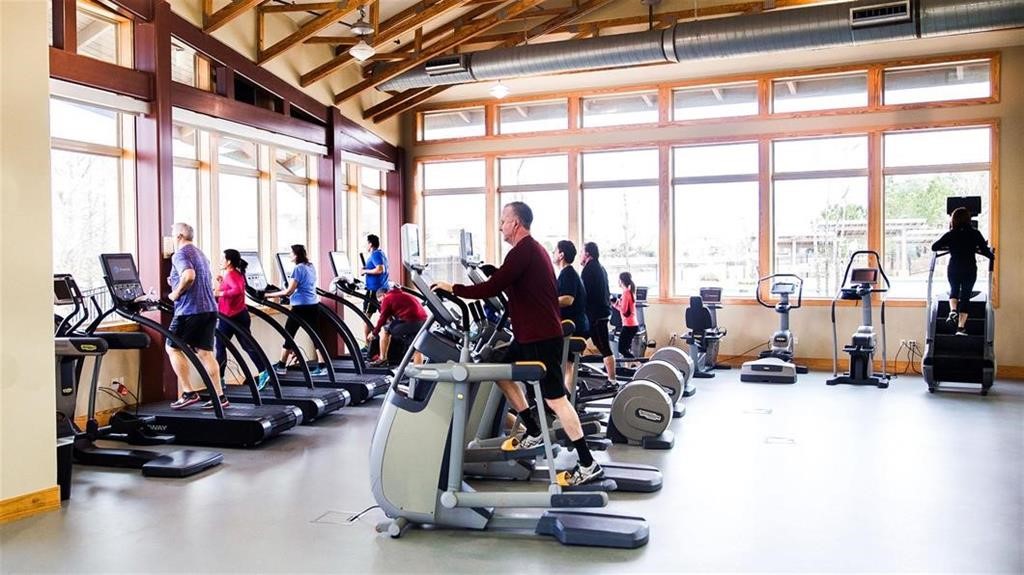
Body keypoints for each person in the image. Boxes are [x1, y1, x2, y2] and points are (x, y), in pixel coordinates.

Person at [434, 202, 604, 487]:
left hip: (539, 338)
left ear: (515, 223)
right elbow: (510, 284)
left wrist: (454, 289)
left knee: (556, 401)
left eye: (503, 221)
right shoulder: (533, 252)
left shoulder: (523, 251)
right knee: (496, 368)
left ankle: (587, 463)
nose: (500, 226)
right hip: (531, 337)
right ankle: (535, 429)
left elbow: (492, 286)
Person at [165, 222, 227, 410]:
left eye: (173, 234)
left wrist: (176, 293)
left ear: (179, 237)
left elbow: (189, 275)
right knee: (205, 353)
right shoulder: (201, 254)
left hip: (189, 310)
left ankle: (188, 392)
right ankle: (220, 396)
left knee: (172, 348)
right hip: (210, 308)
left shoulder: (180, 254)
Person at [265, 244, 329, 377]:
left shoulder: (297, 269)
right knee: (315, 335)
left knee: (288, 334)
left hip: (300, 307)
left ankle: (282, 366)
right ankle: (323, 366)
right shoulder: (310, 266)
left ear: (296, 255)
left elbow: (289, 291)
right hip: (313, 304)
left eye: (291, 253)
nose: (289, 255)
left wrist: (267, 295)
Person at [931, 206, 994, 336]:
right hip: (969, 268)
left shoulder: (951, 234)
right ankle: (960, 328)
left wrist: (948, 245)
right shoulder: (975, 233)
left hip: (954, 267)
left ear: (953, 220)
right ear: (968, 219)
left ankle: (953, 310)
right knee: (965, 296)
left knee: (954, 290)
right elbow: (985, 250)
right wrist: (992, 255)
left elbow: (934, 247)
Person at [214, 249, 270, 391]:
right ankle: (264, 371)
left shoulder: (232, 274)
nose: (221, 261)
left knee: (220, 347)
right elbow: (232, 291)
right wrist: (222, 283)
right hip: (237, 315)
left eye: (222, 258)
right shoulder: (235, 274)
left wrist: (221, 292)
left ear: (229, 262)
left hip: (231, 318)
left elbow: (237, 290)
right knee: (246, 346)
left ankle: (219, 380)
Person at [580, 242, 617, 388]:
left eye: (582, 252)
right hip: (601, 313)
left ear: (588, 254)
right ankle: (576, 370)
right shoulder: (601, 268)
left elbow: (584, 294)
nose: (580, 256)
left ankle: (613, 381)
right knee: (581, 342)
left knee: (603, 347)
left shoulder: (589, 270)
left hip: (595, 315)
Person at [554, 240, 589, 391]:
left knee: (568, 365)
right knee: (568, 365)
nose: (553, 254)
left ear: (561, 254)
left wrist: (547, 303)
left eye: (555, 251)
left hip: (575, 326)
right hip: (577, 323)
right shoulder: (567, 273)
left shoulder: (567, 273)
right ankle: (570, 397)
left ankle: (568, 401)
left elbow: (568, 299)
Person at [368, 285, 426, 367]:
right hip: (423, 322)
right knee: (416, 349)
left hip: (410, 322)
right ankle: (418, 374)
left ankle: (382, 359)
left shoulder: (387, 298)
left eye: (380, 301)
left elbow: (382, 319)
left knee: (385, 330)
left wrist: (374, 333)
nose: (381, 304)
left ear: (383, 295)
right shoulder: (403, 294)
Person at [613, 272, 639, 358]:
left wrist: (617, 303)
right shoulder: (630, 291)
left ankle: (638, 364)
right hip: (632, 324)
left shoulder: (626, 293)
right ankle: (630, 367)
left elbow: (624, 310)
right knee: (626, 349)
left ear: (621, 281)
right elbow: (625, 310)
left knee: (621, 349)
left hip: (629, 325)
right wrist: (615, 304)